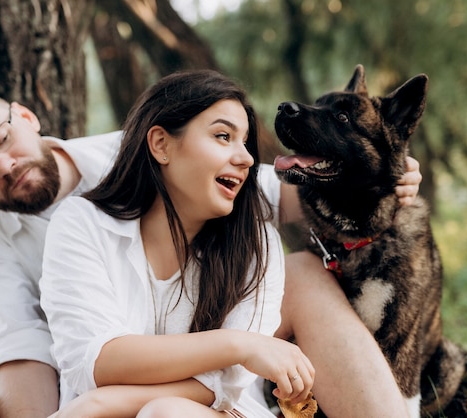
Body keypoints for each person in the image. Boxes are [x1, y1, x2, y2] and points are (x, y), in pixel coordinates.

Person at [0, 69, 421, 417]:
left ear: (27, 118)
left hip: (196, 376)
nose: (3, 164)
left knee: (303, 273)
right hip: (70, 376)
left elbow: (279, 189)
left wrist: (384, 174)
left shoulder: (132, 156)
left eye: (0, 139)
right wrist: (87, 408)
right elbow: (27, 358)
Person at [40, 69, 315, 417]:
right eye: (222, 136)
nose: (246, 158)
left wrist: (101, 403)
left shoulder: (257, 246)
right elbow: (95, 363)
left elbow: (222, 386)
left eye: (245, 142)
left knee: (165, 414)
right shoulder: (82, 223)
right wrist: (238, 344)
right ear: (160, 144)